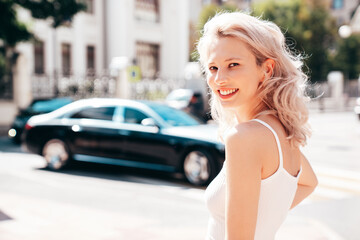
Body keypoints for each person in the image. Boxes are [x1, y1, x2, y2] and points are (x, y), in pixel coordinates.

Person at [197, 12, 318, 240]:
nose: (219, 78)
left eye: (233, 65)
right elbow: (309, 182)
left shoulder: (244, 138)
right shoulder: (279, 130)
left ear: (267, 69)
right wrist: (263, 219)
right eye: (212, 68)